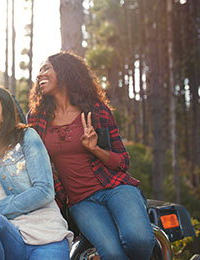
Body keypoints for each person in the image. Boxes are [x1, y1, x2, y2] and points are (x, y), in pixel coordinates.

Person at [28, 51, 155, 260]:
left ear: (65, 73)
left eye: (46, 68)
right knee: (112, 254)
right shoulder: (36, 119)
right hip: (80, 201)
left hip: (115, 188)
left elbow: (123, 161)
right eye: (39, 70)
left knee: (138, 239)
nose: (40, 74)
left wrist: (95, 149)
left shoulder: (97, 111)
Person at [0, 85, 73, 260]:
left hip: (44, 236)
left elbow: (44, 191)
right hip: (9, 236)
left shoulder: (26, 137)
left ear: (4, 116)